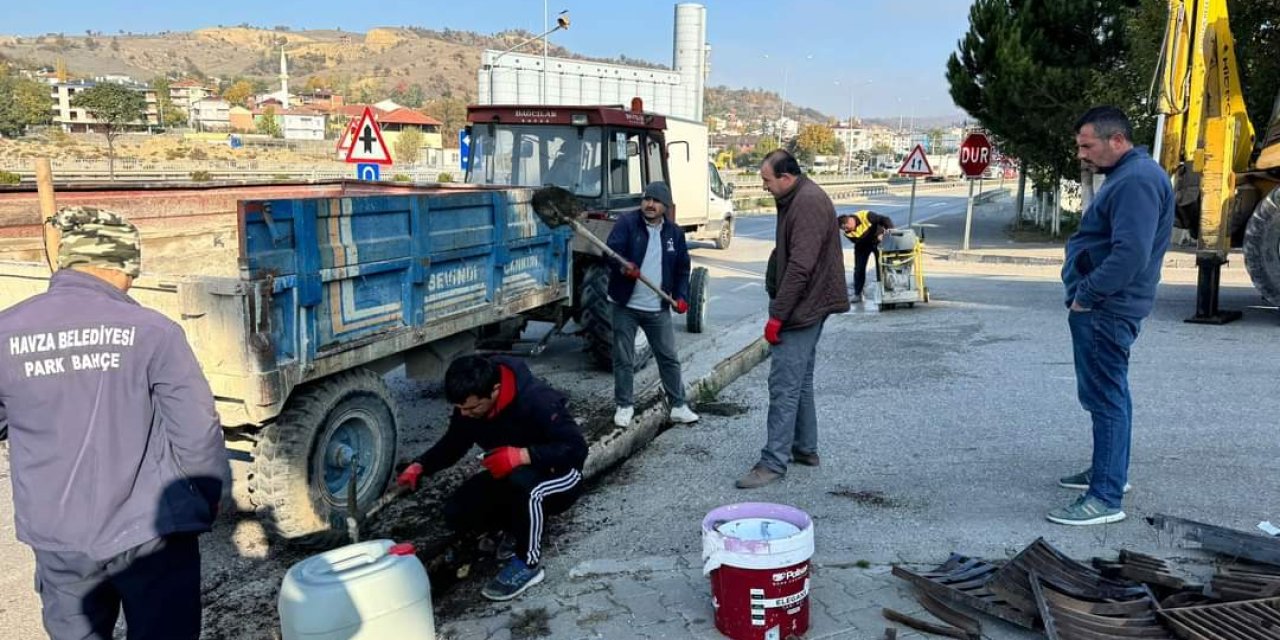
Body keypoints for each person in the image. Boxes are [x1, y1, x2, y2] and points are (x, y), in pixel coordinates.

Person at [0, 206, 230, 640]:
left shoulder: (6, 332)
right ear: (124, 265)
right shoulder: (153, 331)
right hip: (149, 533)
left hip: (57, 535)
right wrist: (209, 498)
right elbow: (197, 430)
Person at [1052, 106, 1173, 526]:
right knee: (1110, 393)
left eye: (1088, 145)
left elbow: (1131, 253)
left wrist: (1086, 294)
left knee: (1104, 397)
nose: (1082, 153)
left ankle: (1104, 497)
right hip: (1107, 306)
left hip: (1106, 308)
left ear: (1116, 140)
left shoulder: (1136, 180)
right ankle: (1109, 473)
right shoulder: (1131, 174)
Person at [395, 354, 588, 601]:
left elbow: (576, 449)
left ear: (495, 391)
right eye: (460, 409)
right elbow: (454, 443)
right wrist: (420, 465)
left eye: (473, 408)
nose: (465, 414)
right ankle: (514, 527)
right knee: (457, 510)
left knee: (529, 491)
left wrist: (523, 455)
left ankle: (527, 564)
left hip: (559, 475)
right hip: (513, 473)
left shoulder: (537, 400)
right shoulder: (469, 408)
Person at [737, 150, 850, 489]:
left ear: (786, 178)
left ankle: (773, 463)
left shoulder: (806, 204)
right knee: (800, 380)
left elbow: (800, 268)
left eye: (767, 181)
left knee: (784, 385)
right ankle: (805, 448)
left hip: (803, 309)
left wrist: (777, 317)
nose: (764, 186)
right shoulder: (797, 197)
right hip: (809, 304)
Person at [605, 181, 700, 428]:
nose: (650, 204)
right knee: (623, 358)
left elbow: (682, 269)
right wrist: (623, 266)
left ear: (665, 207)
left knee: (668, 357)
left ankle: (678, 405)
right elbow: (610, 252)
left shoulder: (674, 234)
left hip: (657, 308)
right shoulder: (627, 223)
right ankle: (624, 405)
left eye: (656, 201)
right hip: (624, 304)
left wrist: (681, 296)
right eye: (647, 199)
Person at [837, 210, 895, 303]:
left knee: (882, 266)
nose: (845, 230)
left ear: (850, 221)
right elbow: (856, 240)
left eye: (846, 227)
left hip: (878, 241)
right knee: (859, 269)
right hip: (862, 245)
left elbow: (884, 219)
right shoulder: (847, 232)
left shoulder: (866, 215)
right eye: (843, 229)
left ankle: (886, 290)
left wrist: (889, 230)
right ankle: (858, 294)